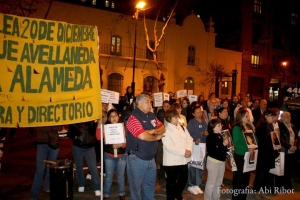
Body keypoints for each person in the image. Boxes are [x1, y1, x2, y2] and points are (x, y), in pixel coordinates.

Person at [125, 93, 165, 200]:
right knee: (136, 188)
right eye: (147, 101)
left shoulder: (151, 115)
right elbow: (142, 136)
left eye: (150, 102)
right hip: (137, 157)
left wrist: (151, 131)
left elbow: (163, 128)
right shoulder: (132, 117)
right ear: (139, 103)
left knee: (149, 186)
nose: (150, 104)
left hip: (151, 158)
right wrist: (156, 137)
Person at [162, 109, 193, 200]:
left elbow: (189, 139)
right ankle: (171, 197)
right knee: (171, 183)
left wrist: (189, 150)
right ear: (169, 119)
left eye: (177, 117)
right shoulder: (166, 130)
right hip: (172, 162)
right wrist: (184, 151)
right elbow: (169, 146)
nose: (177, 119)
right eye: (175, 117)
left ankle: (177, 194)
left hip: (183, 160)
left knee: (183, 180)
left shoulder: (182, 127)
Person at [68, 121, 101, 196]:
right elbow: (69, 133)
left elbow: (95, 132)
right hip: (77, 146)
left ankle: (97, 187)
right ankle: (81, 184)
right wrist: (76, 136)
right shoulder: (74, 119)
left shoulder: (92, 119)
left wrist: (96, 122)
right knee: (79, 166)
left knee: (93, 167)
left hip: (90, 146)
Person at [30, 125, 62, 200]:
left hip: (54, 143)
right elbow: (38, 127)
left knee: (51, 168)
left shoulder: (55, 114)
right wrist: (52, 127)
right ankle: (34, 195)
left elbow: (59, 127)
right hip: (42, 144)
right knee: (40, 170)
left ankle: (47, 187)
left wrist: (47, 128)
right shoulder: (40, 115)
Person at [253, 109, 279, 199]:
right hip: (264, 153)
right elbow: (262, 141)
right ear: (266, 116)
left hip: (270, 153)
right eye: (271, 116)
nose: (273, 118)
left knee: (266, 173)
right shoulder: (261, 127)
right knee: (261, 173)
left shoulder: (270, 126)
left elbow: (274, 138)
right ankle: (256, 190)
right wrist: (272, 140)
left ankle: (261, 190)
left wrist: (276, 144)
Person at [101, 109, 127, 200]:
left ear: (118, 116)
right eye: (111, 116)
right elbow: (98, 136)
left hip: (121, 156)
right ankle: (106, 194)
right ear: (108, 118)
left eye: (115, 115)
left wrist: (122, 145)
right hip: (109, 155)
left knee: (121, 176)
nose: (113, 118)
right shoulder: (106, 128)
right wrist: (98, 124)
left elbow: (128, 141)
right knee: (109, 176)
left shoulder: (123, 127)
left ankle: (121, 193)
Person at [232, 109, 256, 200]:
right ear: (240, 117)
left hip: (248, 154)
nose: (248, 117)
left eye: (248, 116)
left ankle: (243, 197)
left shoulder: (249, 126)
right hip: (240, 155)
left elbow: (255, 138)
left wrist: (254, 145)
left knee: (246, 177)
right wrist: (248, 148)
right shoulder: (237, 128)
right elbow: (236, 143)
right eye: (246, 116)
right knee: (239, 178)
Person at [204, 118, 229, 200]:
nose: (221, 127)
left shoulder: (220, 135)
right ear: (213, 127)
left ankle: (216, 197)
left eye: (220, 125)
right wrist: (224, 145)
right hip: (213, 162)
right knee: (211, 183)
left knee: (218, 182)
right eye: (218, 126)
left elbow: (223, 150)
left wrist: (228, 147)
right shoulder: (210, 137)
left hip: (221, 161)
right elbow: (214, 151)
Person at [187, 106, 207, 195]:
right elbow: (188, 134)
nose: (199, 113)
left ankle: (197, 184)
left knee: (201, 166)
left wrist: (207, 134)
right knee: (193, 166)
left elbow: (207, 132)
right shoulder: (191, 122)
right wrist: (196, 137)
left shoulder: (204, 122)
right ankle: (191, 184)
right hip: (194, 147)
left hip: (203, 147)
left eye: (200, 112)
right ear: (193, 114)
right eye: (197, 112)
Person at [278, 111, 299, 189]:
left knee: (290, 168)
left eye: (290, 116)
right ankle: (282, 185)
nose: (289, 118)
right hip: (285, 150)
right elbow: (280, 138)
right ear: (282, 118)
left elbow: (296, 137)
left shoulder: (293, 126)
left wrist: (295, 145)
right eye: (286, 116)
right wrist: (289, 146)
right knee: (283, 168)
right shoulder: (280, 126)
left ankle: (287, 183)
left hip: (292, 150)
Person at [156, 100, 171, 169]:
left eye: (167, 106)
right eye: (165, 106)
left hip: (169, 134)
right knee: (160, 150)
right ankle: (158, 164)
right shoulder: (160, 113)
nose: (166, 108)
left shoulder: (171, 113)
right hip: (161, 133)